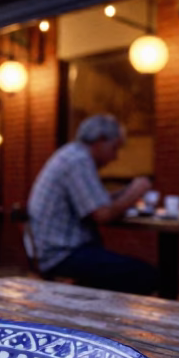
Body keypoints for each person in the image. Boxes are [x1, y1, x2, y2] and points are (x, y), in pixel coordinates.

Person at [27, 115, 157, 295]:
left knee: (132, 271)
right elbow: (102, 214)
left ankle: (104, 316)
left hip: (57, 251)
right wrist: (134, 193)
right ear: (100, 141)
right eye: (114, 148)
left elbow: (97, 203)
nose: (115, 157)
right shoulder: (78, 160)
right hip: (61, 255)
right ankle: (109, 319)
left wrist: (125, 193)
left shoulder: (72, 154)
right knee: (145, 275)